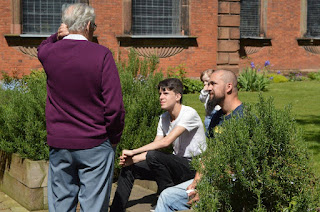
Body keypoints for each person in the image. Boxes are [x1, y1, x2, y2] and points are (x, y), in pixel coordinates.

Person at [37, 3, 125, 212]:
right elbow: (114, 106)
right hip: (95, 142)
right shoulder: (101, 54)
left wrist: (56, 35)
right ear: (87, 25)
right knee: (93, 206)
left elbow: (42, 47)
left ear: (65, 26)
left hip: (60, 143)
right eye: (94, 25)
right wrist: (113, 138)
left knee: (60, 204)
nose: (94, 29)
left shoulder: (49, 53)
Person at [110, 78, 207, 212]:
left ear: (178, 96)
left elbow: (165, 142)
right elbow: (157, 145)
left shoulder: (189, 113)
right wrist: (132, 160)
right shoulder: (164, 118)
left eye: (165, 93)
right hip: (175, 164)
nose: (161, 97)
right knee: (130, 168)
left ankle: (165, 199)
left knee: (154, 156)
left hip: (194, 167)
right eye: (160, 94)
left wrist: (133, 151)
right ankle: (116, 209)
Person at [155, 69, 243, 212]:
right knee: (167, 196)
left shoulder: (242, 118)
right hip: (210, 177)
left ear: (228, 87)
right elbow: (208, 155)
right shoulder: (216, 117)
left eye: (212, 84)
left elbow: (236, 166)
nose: (207, 88)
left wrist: (207, 189)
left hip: (230, 182)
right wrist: (197, 182)